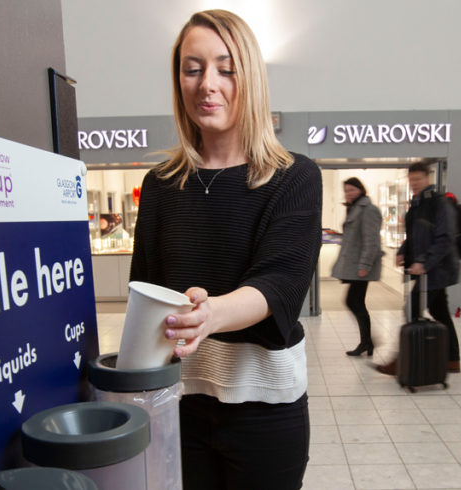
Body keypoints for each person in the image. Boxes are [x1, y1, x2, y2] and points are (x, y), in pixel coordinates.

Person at [128, 10, 321, 489]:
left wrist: (210, 313)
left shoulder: (293, 177)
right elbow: (146, 292)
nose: (206, 84)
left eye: (225, 68)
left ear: (249, 77)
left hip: (265, 407)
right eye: (192, 69)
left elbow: (279, 285)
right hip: (179, 400)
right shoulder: (160, 185)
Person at [376, 162, 461, 375]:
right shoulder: (418, 204)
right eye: (411, 180)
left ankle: (403, 360)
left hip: (437, 268)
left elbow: (445, 237)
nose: (414, 184)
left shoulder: (439, 204)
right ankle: (452, 360)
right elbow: (415, 235)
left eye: (418, 179)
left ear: (428, 178)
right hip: (430, 268)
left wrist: (425, 262)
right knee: (440, 311)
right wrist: (403, 250)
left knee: (412, 309)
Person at [332, 177, 383, 357]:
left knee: (353, 301)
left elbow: (372, 240)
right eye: (346, 191)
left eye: (352, 190)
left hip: (361, 266)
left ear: (361, 190)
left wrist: (365, 264)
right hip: (354, 264)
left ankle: (367, 341)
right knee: (356, 302)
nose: (349, 194)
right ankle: (367, 342)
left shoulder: (368, 209)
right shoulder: (354, 208)